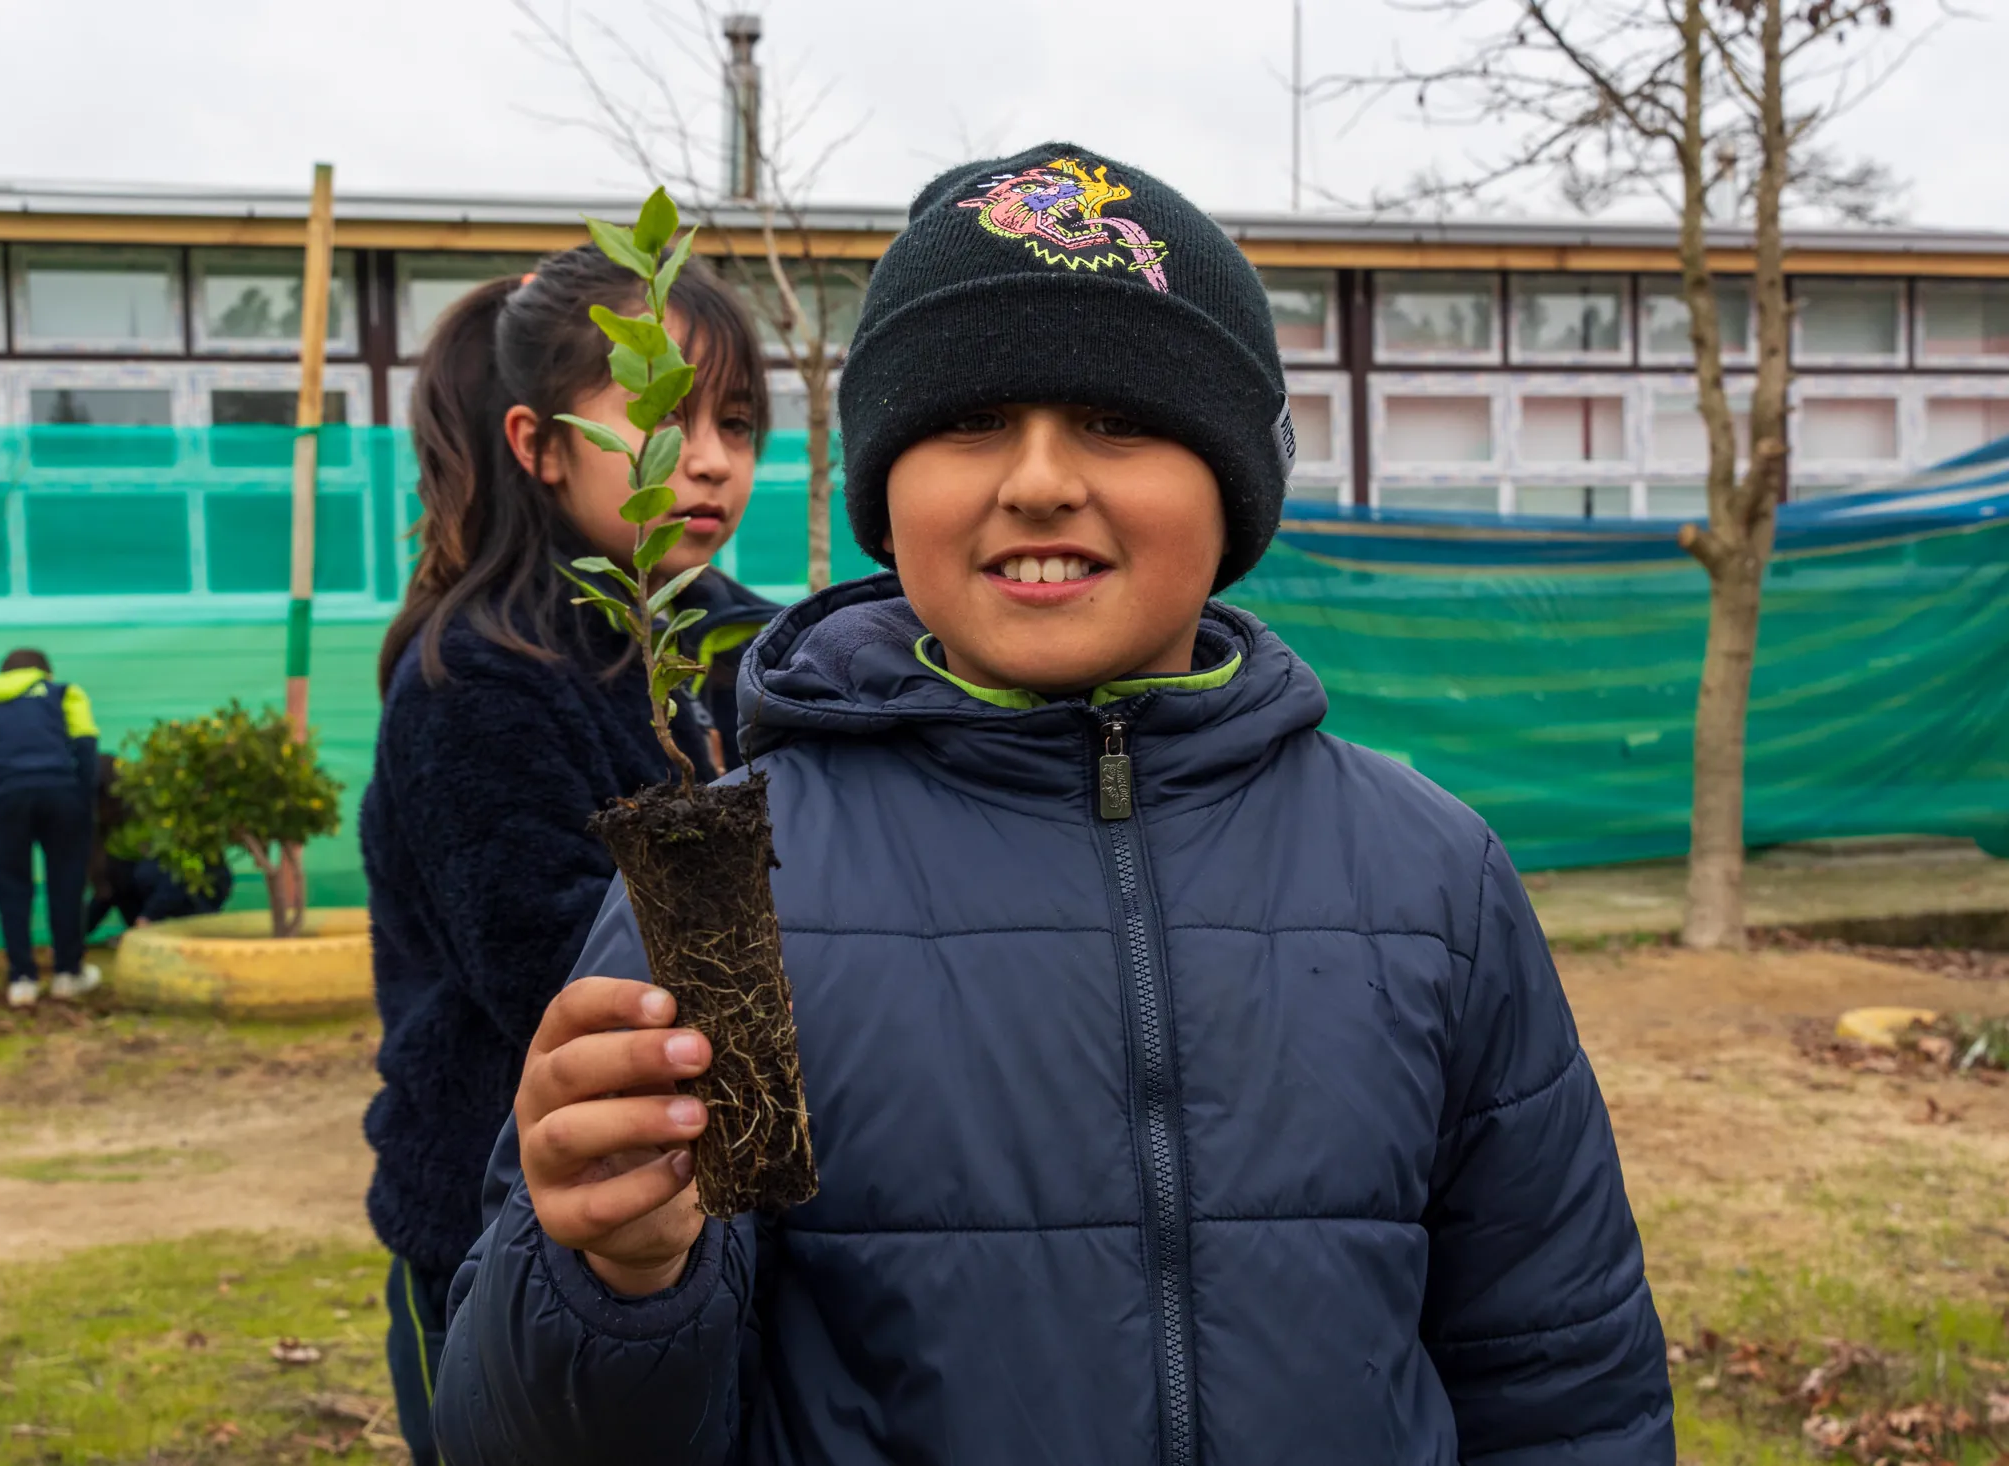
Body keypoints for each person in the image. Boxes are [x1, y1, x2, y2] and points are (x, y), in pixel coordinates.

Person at [433, 146, 1675, 1464]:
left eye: (1115, 418)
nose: (1035, 479)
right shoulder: (732, 890)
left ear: (1234, 485)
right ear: (885, 488)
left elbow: (1560, 1371)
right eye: (971, 422)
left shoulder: (1427, 880)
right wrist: (609, 1278)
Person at [359, 246, 777, 1466]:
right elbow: (560, 965)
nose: (708, 458)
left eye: (736, 422)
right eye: (658, 418)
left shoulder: (750, 649)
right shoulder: (477, 682)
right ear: (538, 444)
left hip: (706, 1232)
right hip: (507, 1246)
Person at [0, 648, 102, 1008]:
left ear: (2, 675)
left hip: (4, 799)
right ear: (45, 672)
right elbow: (86, 745)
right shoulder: (64, 693)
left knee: (11, 889)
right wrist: (83, 796)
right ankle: (67, 975)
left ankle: (22, 980)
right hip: (61, 794)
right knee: (67, 884)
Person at [84, 754, 233, 937]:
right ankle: (144, 932)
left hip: (199, 884)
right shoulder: (111, 828)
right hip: (157, 886)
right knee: (116, 871)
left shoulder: (159, 808)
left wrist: (148, 917)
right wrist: (73, 938)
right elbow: (106, 890)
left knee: (147, 872)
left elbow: (182, 873)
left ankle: (169, 928)